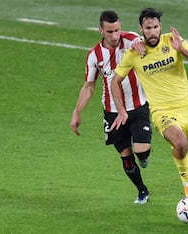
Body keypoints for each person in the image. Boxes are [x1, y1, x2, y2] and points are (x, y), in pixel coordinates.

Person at [111, 8, 188, 211]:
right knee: (180, 142)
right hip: (163, 112)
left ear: (160, 27)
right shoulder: (134, 53)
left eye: (155, 27)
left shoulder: (173, 41)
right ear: (141, 28)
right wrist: (121, 110)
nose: (152, 32)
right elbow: (116, 81)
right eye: (148, 28)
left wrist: (182, 49)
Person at [70, 10, 152, 205]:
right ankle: (142, 191)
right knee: (125, 154)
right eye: (109, 32)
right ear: (101, 31)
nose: (115, 36)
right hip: (112, 112)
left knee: (141, 151)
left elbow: (142, 43)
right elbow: (89, 87)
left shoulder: (131, 39)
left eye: (117, 30)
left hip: (138, 105)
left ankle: (143, 156)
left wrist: (142, 47)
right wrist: (77, 112)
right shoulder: (94, 56)